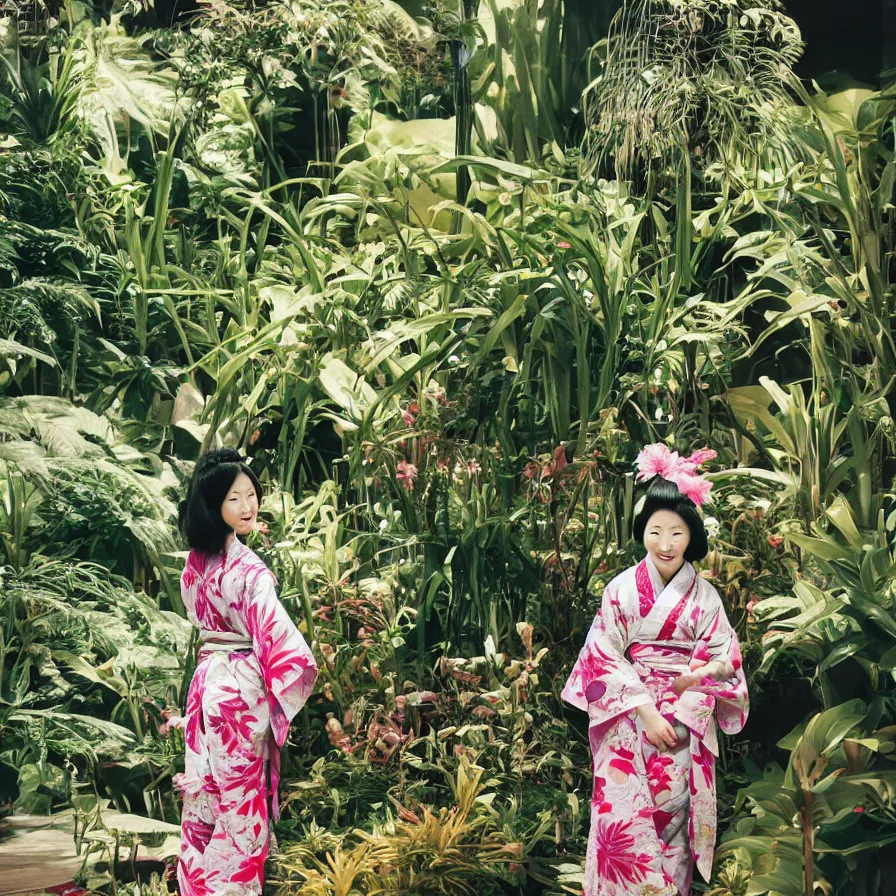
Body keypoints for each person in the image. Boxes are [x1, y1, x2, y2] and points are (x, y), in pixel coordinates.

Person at [562, 444, 748, 896]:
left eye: (677, 533)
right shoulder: (621, 589)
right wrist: (646, 710)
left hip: (682, 729)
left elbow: (724, 659)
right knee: (620, 826)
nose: (665, 545)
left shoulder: (706, 599)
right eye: (655, 531)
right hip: (628, 721)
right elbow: (601, 653)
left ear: (692, 536)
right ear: (642, 532)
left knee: (673, 827)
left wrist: (682, 716)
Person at [169, 449, 318, 896]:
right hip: (237, 694)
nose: (248, 507)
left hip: (206, 688)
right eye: (235, 499)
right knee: (241, 800)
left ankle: (196, 884)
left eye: (251, 495)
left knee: (205, 795)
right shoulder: (251, 571)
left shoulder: (193, 568)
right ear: (215, 506)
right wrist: (280, 693)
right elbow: (284, 647)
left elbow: (204, 624)